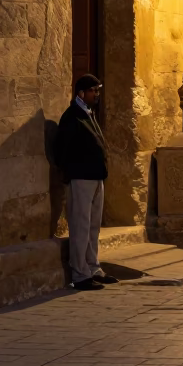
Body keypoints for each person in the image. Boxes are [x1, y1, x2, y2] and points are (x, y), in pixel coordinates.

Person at [53, 74, 117, 290]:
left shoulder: (89, 114)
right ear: (81, 93)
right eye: (93, 91)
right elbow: (62, 150)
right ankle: (80, 274)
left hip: (96, 177)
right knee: (80, 226)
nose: (96, 94)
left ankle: (93, 267)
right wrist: (73, 171)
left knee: (93, 227)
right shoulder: (72, 117)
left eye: (97, 90)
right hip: (81, 179)